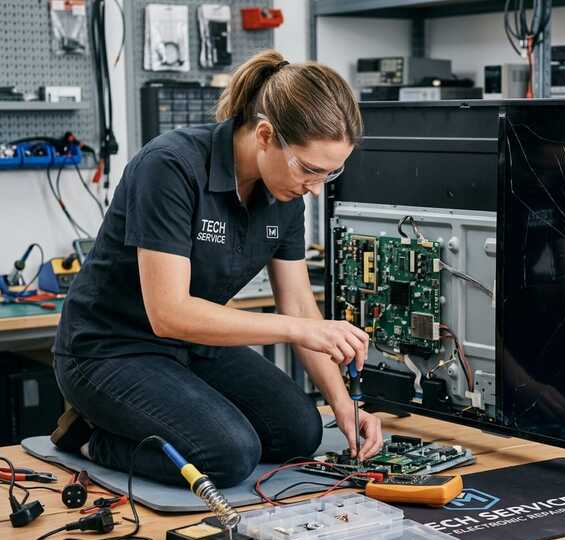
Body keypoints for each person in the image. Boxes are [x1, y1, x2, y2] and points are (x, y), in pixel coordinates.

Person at [50, 49, 384, 488]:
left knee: (300, 432)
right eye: (309, 170)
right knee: (228, 455)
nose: (316, 189)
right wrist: (299, 330)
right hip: (107, 351)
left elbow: (301, 306)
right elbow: (168, 313)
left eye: (330, 174)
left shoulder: (285, 196)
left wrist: (343, 403)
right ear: (265, 135)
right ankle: (93, 438)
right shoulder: (170, 167)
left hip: (192, 347)